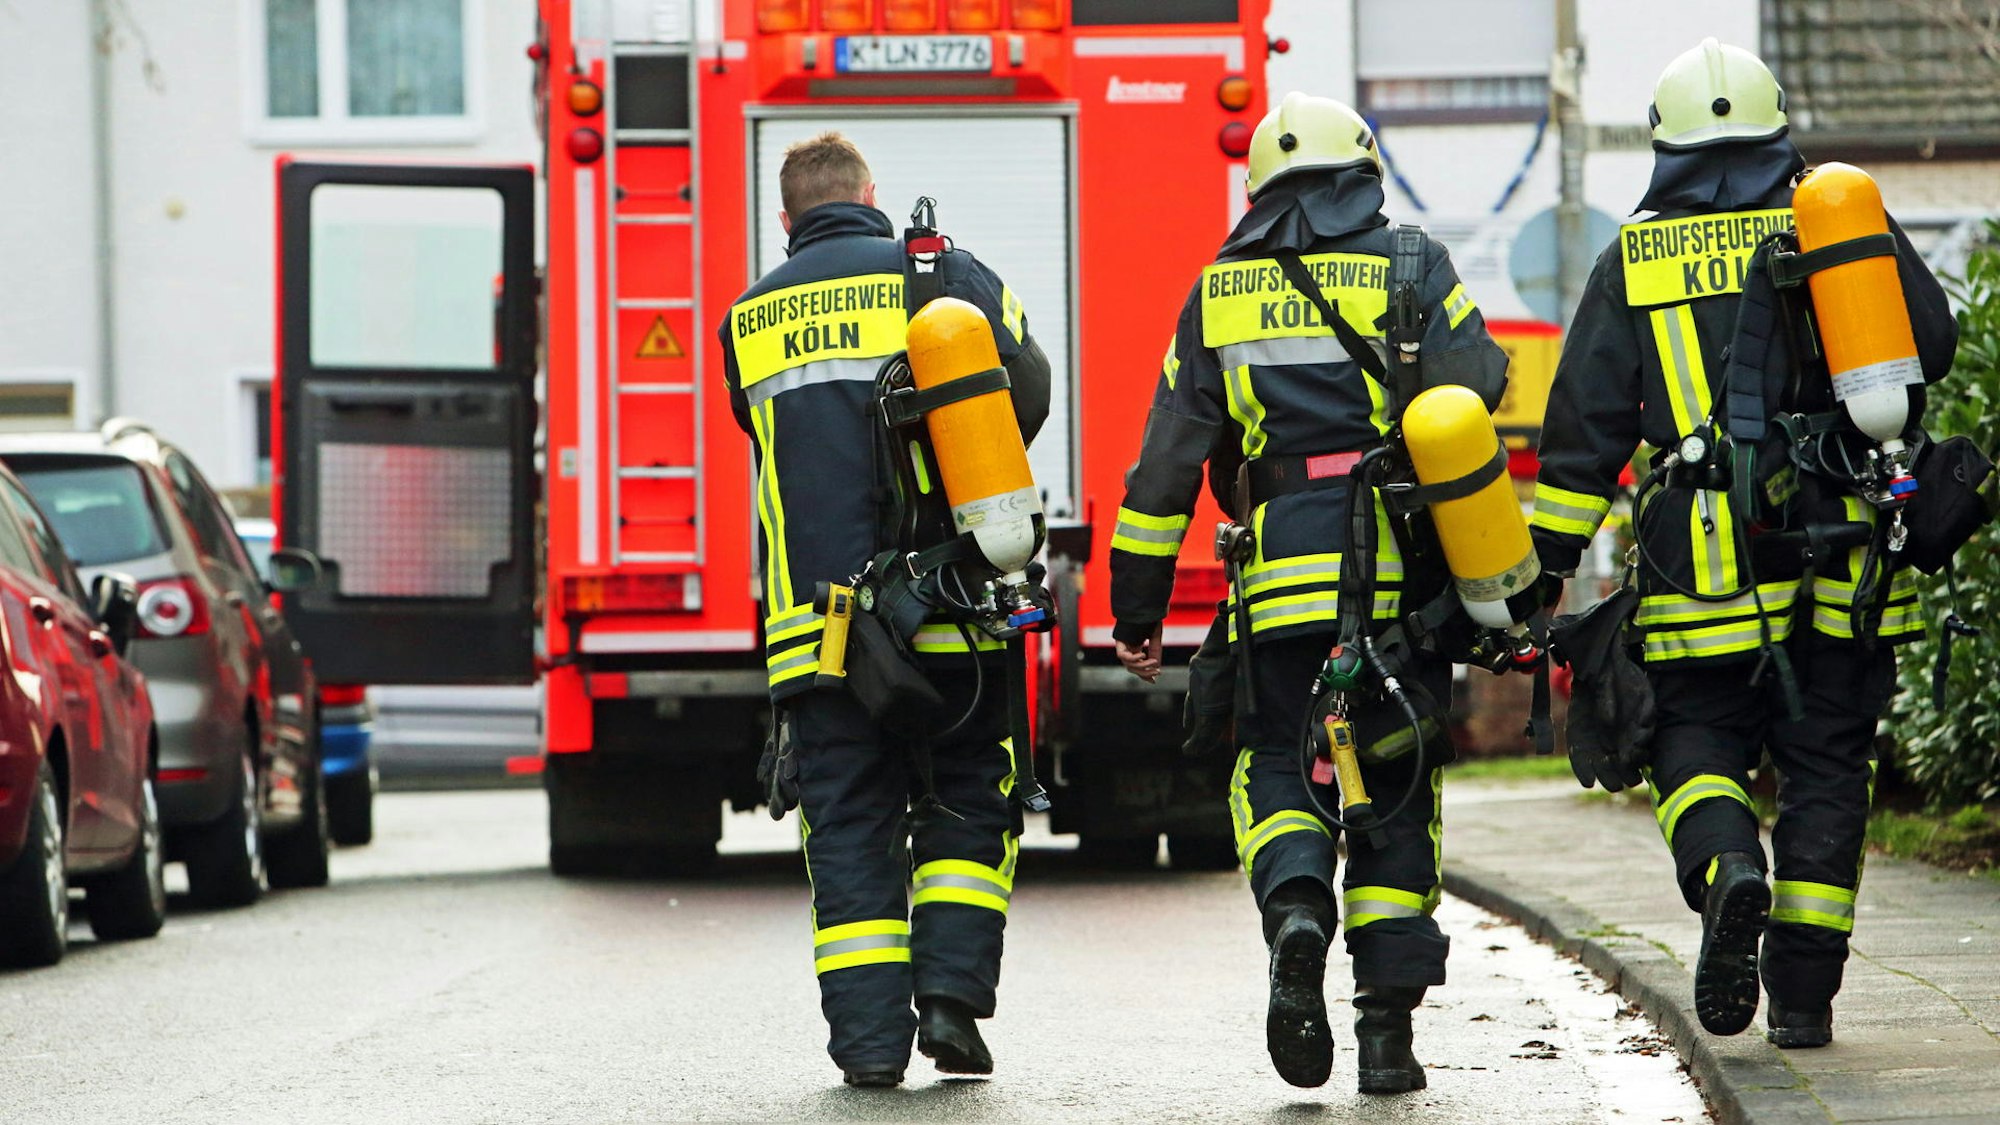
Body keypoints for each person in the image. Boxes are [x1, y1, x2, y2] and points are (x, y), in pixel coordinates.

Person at [1530, 39, 1957, 1048]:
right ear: (1776, 128)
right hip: (1845, 556)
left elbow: (1581, 434)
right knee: (1826, 766)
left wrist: (1536, 579)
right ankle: (1802, 1002)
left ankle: (1727, 873)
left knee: (1690, 745)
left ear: (1661, 142)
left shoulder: (1628, 258)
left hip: (1700, 568)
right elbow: (1930, 344)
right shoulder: (1835, 220)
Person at [1109, 93, 1508, 1093]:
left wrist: (1136, 610)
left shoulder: (1217, 293)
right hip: (1394, 587)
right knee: (1394, 792)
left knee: (1277, 765)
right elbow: (1479, 383)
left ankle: (1294, 912)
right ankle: (1385, 1037)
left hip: (1277, 585)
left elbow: (1163, 471)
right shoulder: (1410, 263)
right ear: (1361, 176)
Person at [718, 132, 1053, 1087]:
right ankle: (950, 998)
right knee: (965, 802)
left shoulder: (747, 317)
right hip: (953, 610)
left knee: (850, 828)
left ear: (786, 219)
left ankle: (868, 1049)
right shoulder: (944, 273)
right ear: (873, 194)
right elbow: (1025, 393)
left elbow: (763, 426)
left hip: (820, 637)